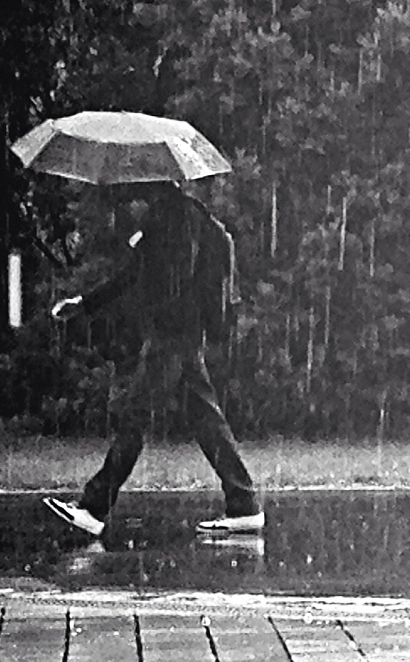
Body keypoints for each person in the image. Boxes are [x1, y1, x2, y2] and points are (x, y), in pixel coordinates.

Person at [43, 180, 261, 540]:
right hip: (181, 336)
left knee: (135, 416)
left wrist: (154, 293)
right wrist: (86, 302)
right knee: (206, 420)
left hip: (171, 337)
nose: (131, 202)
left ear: (151, 190)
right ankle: (244, 503)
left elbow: (173, 276)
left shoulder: (176, 218)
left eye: (135, 195)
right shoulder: (175, 216)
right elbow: (134, 274)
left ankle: (94, 508)